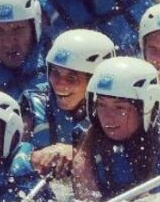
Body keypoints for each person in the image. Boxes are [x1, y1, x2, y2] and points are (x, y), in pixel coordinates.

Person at [72, 57, 160, 202]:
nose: (107, 117)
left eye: (119, 107)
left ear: (145, 108)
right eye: (101, 105)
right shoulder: (87, 150)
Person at [20, 29, 116, 177]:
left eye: (72, 78)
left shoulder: (119, 110)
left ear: (94, 81)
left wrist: (77, 153)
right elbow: (7, 159)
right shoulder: (33, 105)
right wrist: (32, 157)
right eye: (55, 73)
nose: (59, 85)